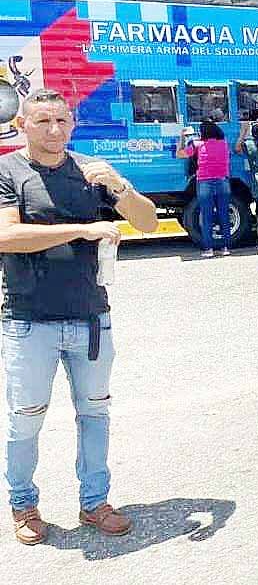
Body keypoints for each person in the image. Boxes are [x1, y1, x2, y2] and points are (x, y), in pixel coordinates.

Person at [0, 88, 158, 545]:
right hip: (29, 319)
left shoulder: (90, 170)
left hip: (90, 317)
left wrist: (120, 188)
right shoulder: (8, 171)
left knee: (95, 414)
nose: (54, 130)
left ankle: (95, 502)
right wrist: (83, 229)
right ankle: (24, 504)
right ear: (21, 125)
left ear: (72, 124)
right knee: (25, 417)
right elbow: (7, 237)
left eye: (62, 121)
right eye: (43, 121)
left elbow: (146, 223)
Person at [176, 120, 232, 258]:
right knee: (223, 214)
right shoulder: (224, 144)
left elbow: (180, 154)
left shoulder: (197, 144)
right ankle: (225, 248)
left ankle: (209, 249)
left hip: (205, 181)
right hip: (222, 180)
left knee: (206, 216)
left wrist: (182, 137)